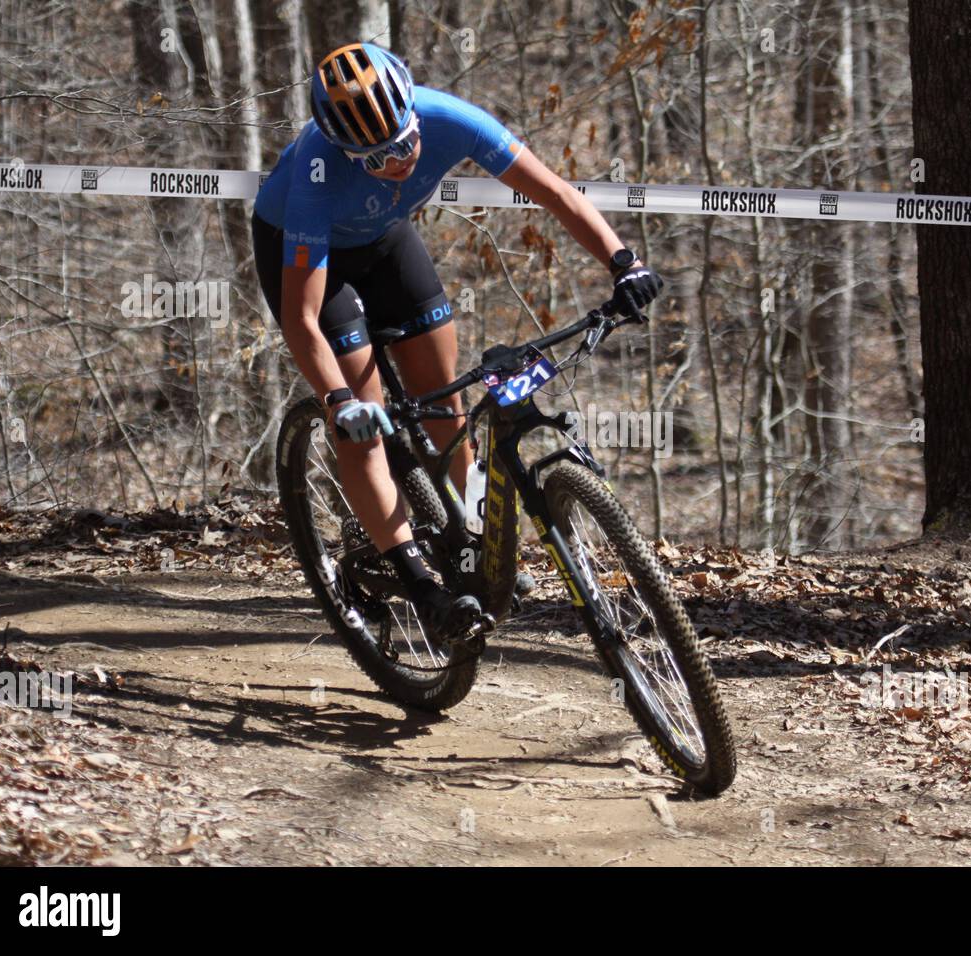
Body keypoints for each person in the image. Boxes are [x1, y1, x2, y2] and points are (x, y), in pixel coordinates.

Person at [251, 41, 663, 643]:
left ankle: (472, 542)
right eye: (376, 158)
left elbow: (553, 192)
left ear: (415, 112)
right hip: (308, 257)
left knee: (447, 400)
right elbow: (302, 320)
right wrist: (339, 401)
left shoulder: (451, 119)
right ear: (345, 152)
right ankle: (418, 583)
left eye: (403, 142)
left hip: (385, 238)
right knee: (363, 420)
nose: (397, 161)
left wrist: (622, 262)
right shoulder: (317, 171)